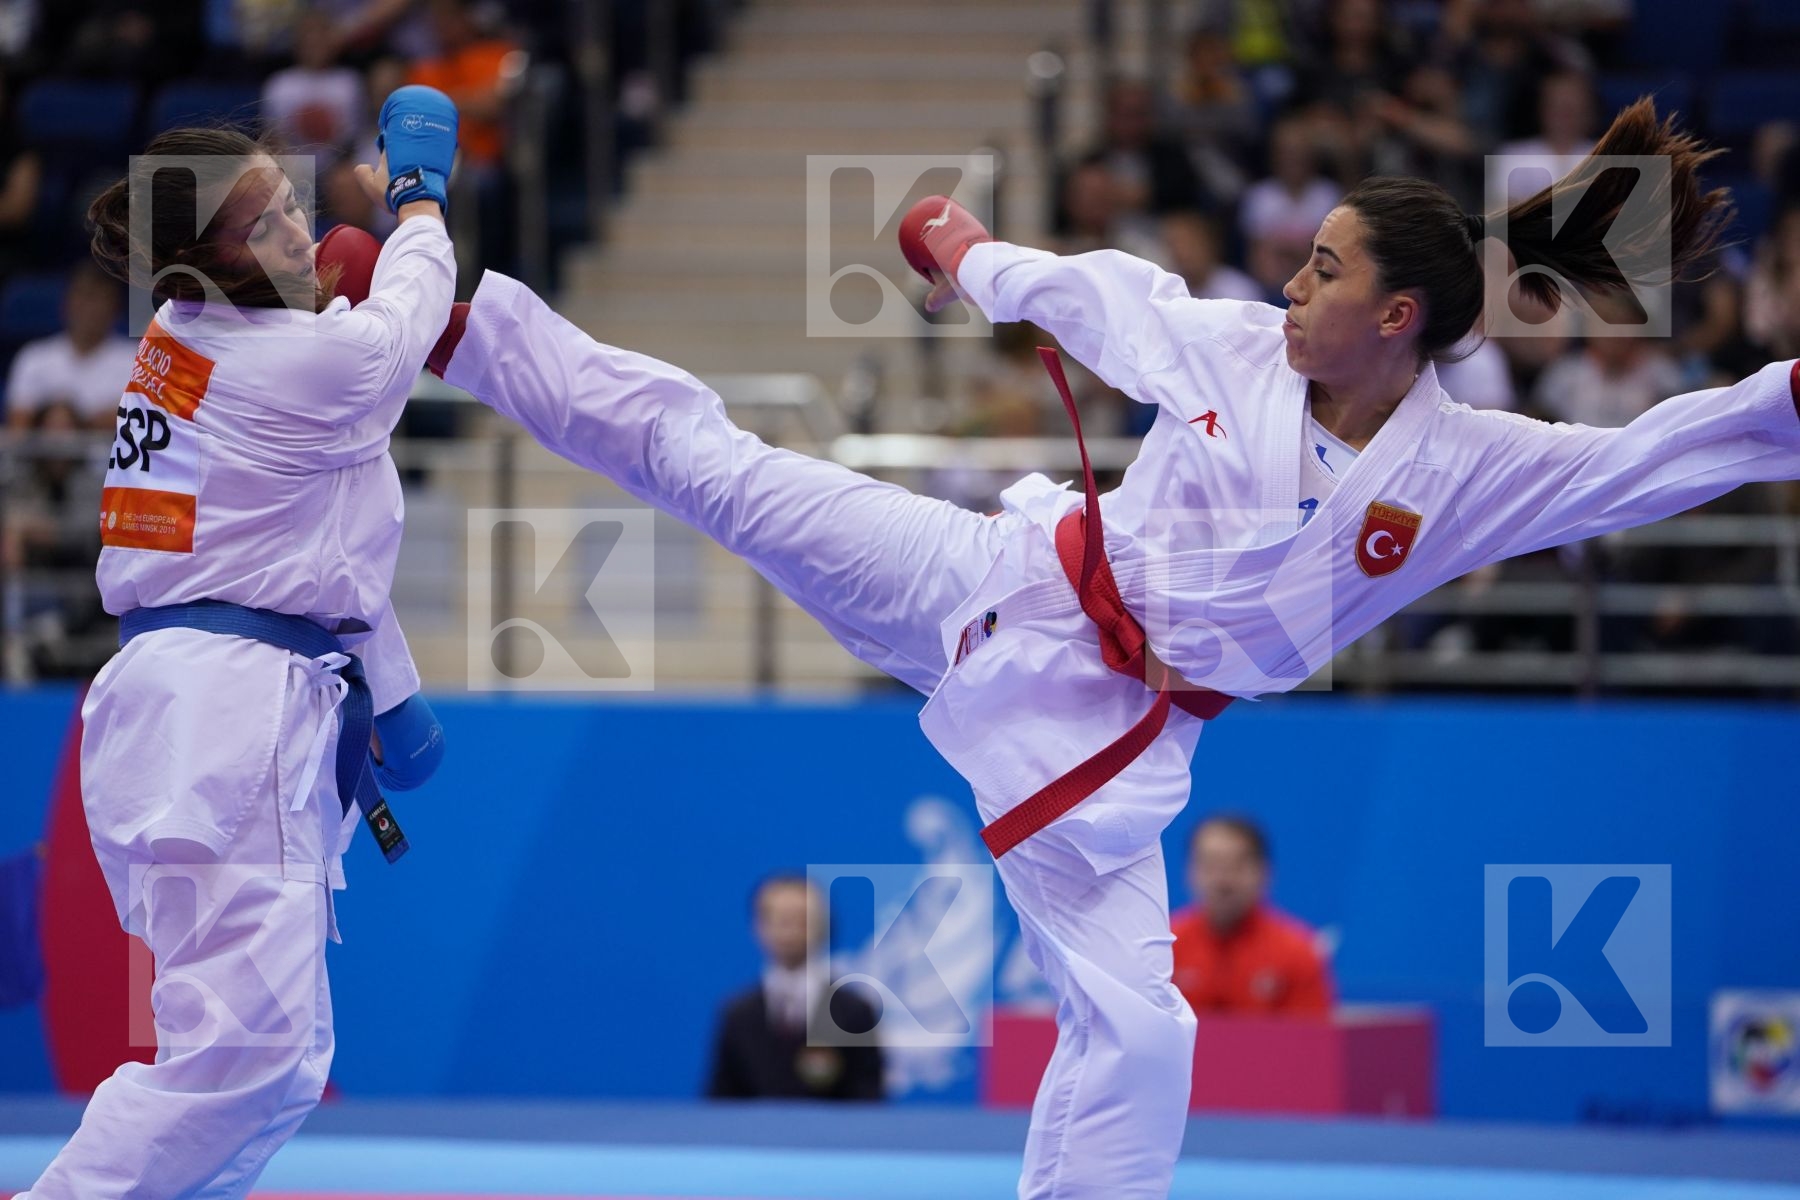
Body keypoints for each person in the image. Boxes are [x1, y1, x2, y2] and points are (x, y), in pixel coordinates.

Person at [424, 97, 1793, 1200]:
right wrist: (965, 253)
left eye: (1326, 269)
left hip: (1113, 727)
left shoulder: (1471, 466)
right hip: (995, 575)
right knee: (712, 466)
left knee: (1142, 1035)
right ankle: (464, 326)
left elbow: (1657, 456)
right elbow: (1101, 301)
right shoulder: (1241, 349)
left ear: (1396, 321)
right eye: (1303, 255)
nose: (1293, 281)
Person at [17, 87, 459, 1200]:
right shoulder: (303, 368)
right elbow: (405, 327)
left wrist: (394, 695)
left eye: (296, 210)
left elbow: (328, 537)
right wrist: (417, 202)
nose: (303, 236)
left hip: (174, 704)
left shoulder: (180, 339)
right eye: (267, 228)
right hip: (226, 712)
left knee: (255, 1057)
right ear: (210, 261)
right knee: (253, 1061)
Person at [707, 874, 885, 1101]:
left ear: (824, 925)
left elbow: (869, 1099)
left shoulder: (854, 1012)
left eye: (802, 919)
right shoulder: (737, 1015)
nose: (790, 931)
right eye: (780, 919)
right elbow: (720, 1101)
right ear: (758, 927)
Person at [1170, 815, 1333, 1016]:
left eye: (1236, 866)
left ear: (1263, 871)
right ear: (1190, 871)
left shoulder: (1298, 952)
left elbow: (1310, 1040)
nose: (1223, 881)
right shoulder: (1166, 945)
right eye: (1210, 866)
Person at [4, 262, 138, 431]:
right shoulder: (34, 356)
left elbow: (137, 419)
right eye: (82, 297)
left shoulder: (135, 359)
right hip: (41, 456)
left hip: (108, 456)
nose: (89, 308)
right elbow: (18, 423)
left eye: (98, 298)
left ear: (115, 307)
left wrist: (70, 420)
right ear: (66, 303)